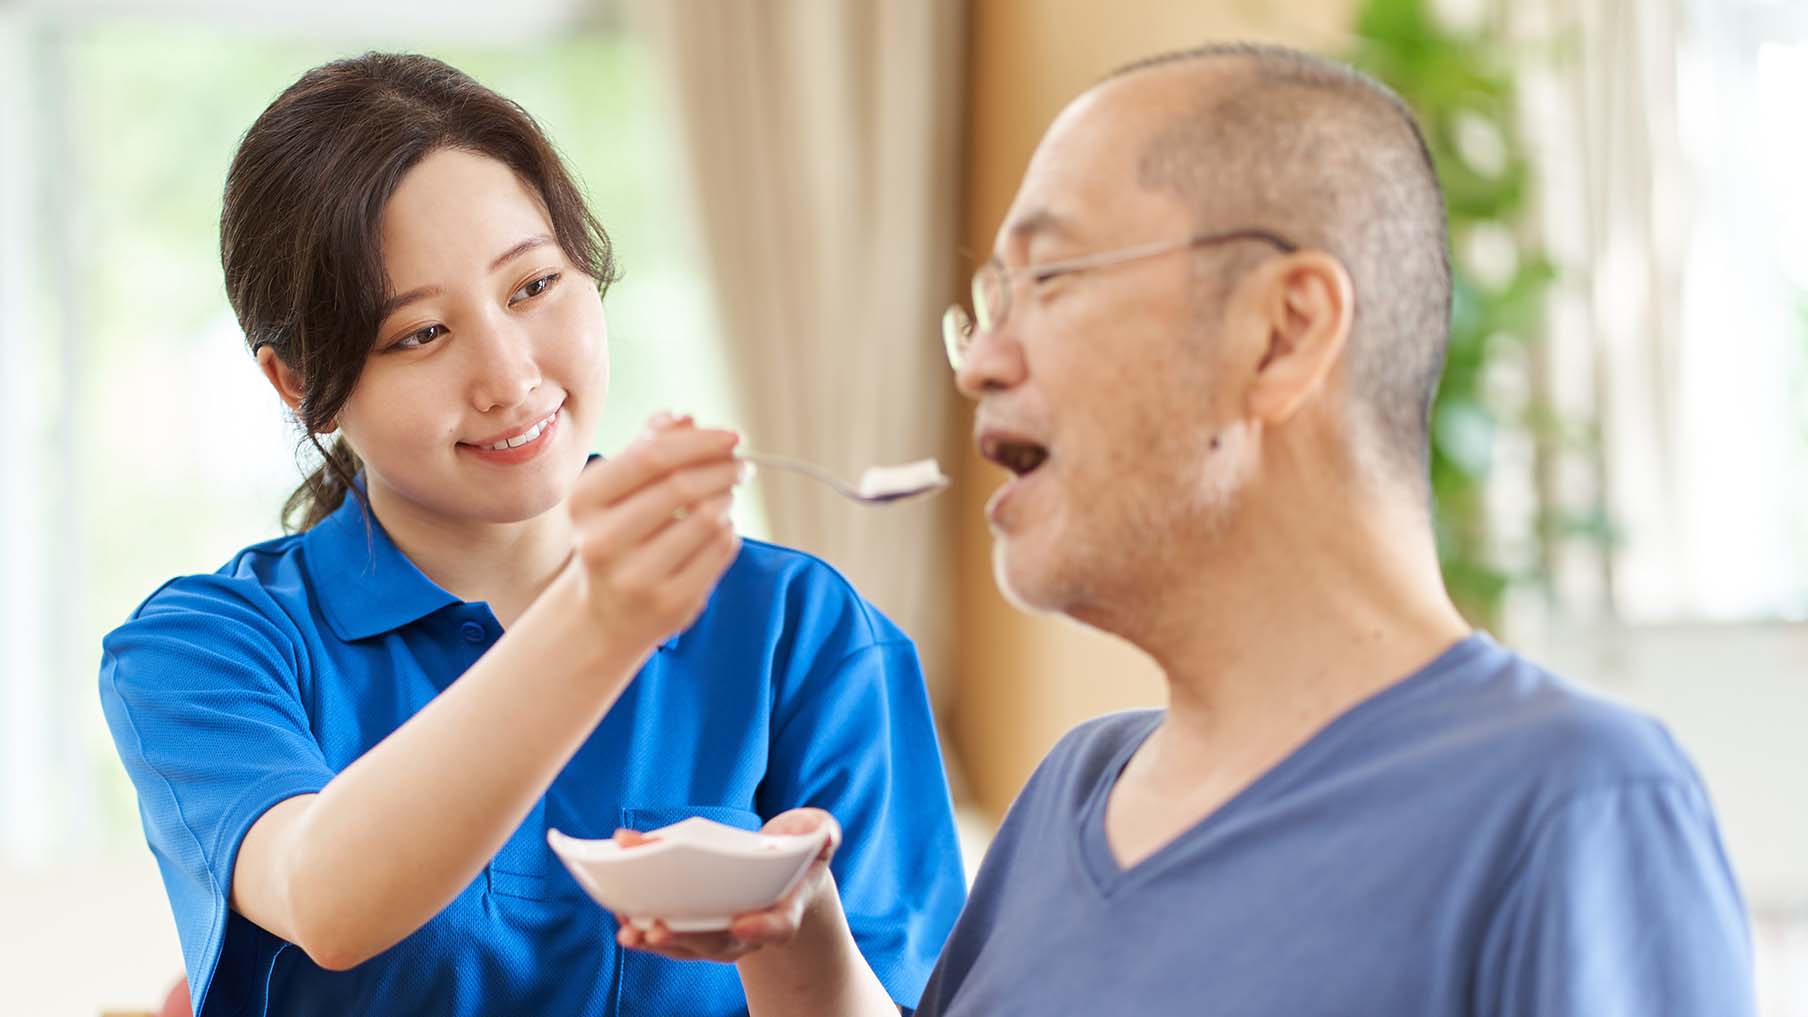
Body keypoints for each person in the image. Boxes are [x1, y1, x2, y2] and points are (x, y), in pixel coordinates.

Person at [617, 42, 1757, 1016]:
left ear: (1280, 333)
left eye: (1049, 277)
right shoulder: (1073, 792)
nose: (980, 363)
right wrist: (798, 946)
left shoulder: (1572, 803)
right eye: (987, 301)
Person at [96, 52, 964, 1017]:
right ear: (301, 384)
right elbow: (324, 898)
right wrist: (600, 620)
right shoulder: (202, 650)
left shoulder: (803, 630)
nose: (508, 377)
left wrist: (796, 937)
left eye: (533, 286)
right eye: (420, 335)